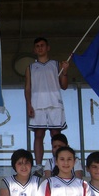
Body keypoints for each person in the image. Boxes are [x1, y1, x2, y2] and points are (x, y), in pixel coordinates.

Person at [24, 37, 69, 174]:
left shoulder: (57, 64)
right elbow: (27, 88)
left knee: (56, 134)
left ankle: (59, 162)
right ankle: (38, 165)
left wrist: (65, 71)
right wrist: (29, 105)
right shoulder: (30, 68)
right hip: (38, 104)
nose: (40, 48)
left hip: (54, 103)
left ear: (48, 47)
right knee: (39, 134)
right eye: (37, 46)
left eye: (42, 45)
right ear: (34, 49)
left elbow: (64, 86)